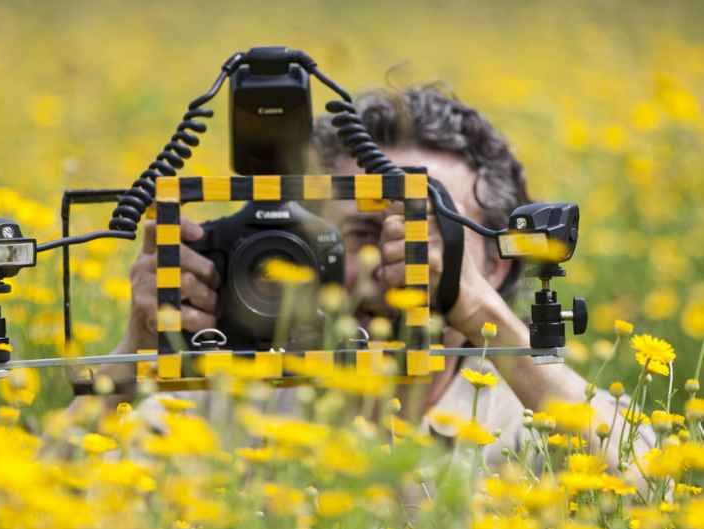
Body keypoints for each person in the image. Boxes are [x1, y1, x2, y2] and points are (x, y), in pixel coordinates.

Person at [104, 86, 653, 470]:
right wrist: (136, 351)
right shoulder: (239, 401)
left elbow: (653, 486)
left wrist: (489, 320)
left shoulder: (530, 417)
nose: (396, 261)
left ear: (497, 263)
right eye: (365, 231)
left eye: (428, 230)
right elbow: (44, 492)